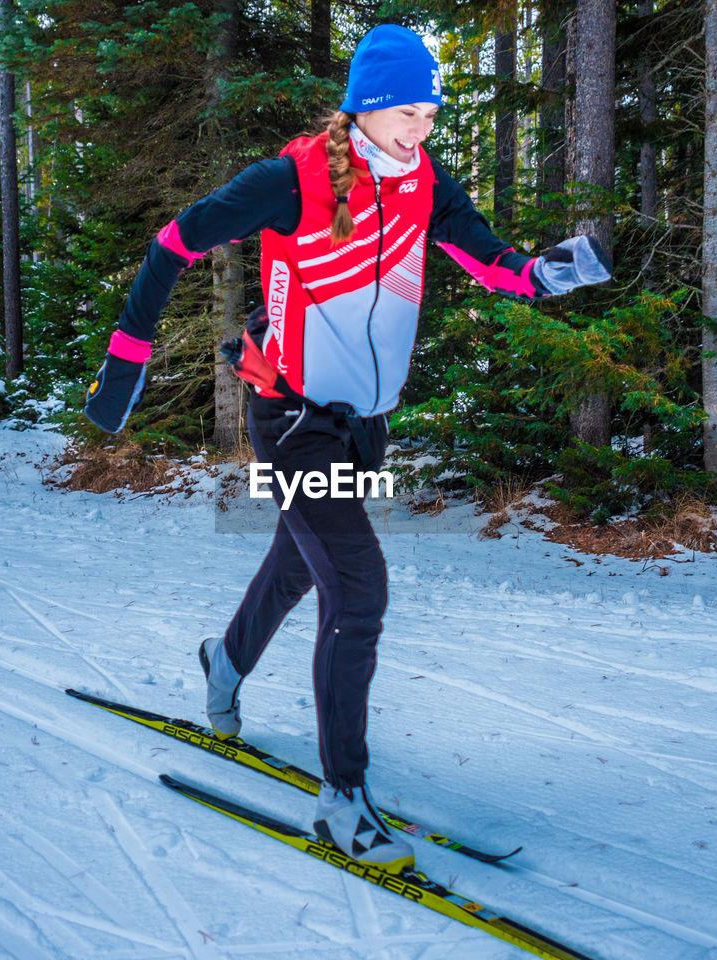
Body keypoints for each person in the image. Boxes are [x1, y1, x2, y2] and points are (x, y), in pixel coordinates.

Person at [85, 24, 611, 874]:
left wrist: (550, 271)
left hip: (364, 423)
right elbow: (173, 243)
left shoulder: (425, 181)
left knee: (305, 563)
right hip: (290, 414)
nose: (422, 128)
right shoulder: (292, 179)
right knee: (359, 586)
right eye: (409, 112)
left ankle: (224, 659)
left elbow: (492, 262)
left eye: (431, 113)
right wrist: (126, 362)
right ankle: (340, 798)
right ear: (367, 108)